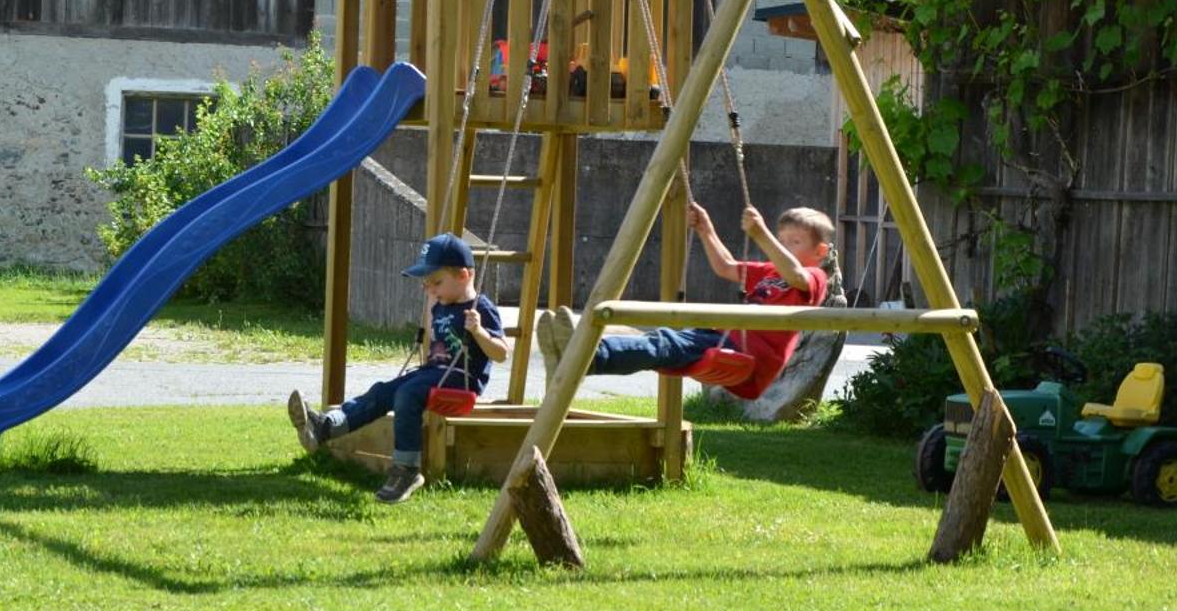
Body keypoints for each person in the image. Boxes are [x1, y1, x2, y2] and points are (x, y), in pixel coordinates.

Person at [287, 232, 508, 503]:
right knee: (383, 391)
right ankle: (325, 426)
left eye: (436, 282)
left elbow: (501, 354)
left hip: (460, 382)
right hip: (432, 374)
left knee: (407, 394)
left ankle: (407, 470)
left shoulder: (480, 308)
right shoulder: (439, 305)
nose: (431, 290)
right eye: (427, 285)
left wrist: (479, 331)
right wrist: (432, 295)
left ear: (464, 275)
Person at [536, 203, 836, 388]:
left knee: (664, 341)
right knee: (660, 345)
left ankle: (584, 356)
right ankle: (573, 357)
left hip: (748, 355)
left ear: (820, 252)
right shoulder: (770, 270)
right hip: (723, 338)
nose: (783, 247)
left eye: (793, 242)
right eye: (781, 240)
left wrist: (761, 236)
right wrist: (706, 230)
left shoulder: (815, 278)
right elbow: (726, 266)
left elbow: (795, 274)